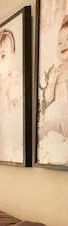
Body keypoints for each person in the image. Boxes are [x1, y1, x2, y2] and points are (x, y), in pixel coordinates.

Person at [0, 28, 22, 162]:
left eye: (3, 56)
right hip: (0, 135)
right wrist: (2, 92)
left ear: (11, 58)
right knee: (4, 154)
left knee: (17, 152)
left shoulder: (15, 79)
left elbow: (18, 99)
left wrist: (13, 88)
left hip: (14, 130)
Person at [38, 16, 68, 164]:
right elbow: (49, 99)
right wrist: (51, 83)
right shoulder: (56, 70)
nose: (63, 45)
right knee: (51, 139)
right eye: (60, 42)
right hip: (56, 113)